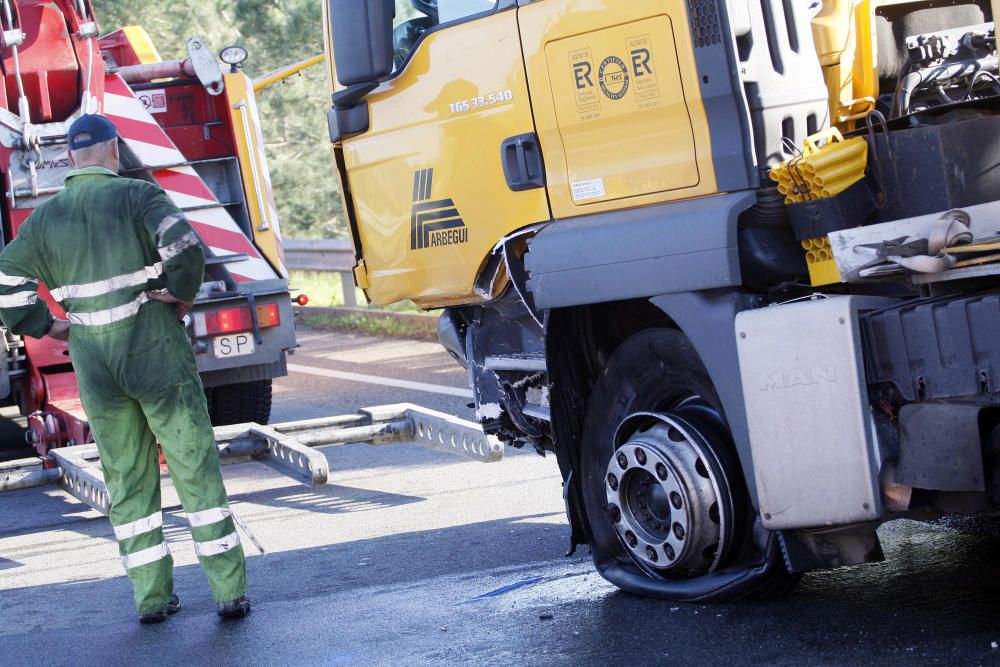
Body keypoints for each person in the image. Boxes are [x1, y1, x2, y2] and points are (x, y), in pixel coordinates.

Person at [0, 115, 251, 623]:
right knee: (192, 465)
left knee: (127, 476)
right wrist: (179, 296)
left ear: (70, 159)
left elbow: (6, 283)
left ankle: (152, 598)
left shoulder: (44, 222)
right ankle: (228, 591)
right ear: (114, 151)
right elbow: (185, 248)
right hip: (154, 347)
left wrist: (47, 326)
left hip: (94, 360)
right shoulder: (140, 198)